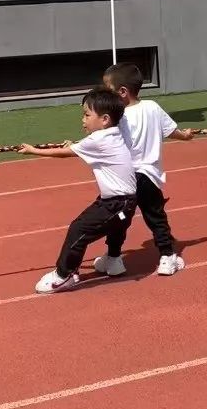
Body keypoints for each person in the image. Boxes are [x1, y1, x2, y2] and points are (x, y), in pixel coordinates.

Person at [19, 87, 138, 294]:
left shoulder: (98, 139)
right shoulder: (113, 134)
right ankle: (114, 261)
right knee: (116, 228)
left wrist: (33, 150)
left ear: (105, 120)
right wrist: (74, 145)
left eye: (87, 115)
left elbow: (64, 153)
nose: (83, 119)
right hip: (122, 201)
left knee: (78, 229)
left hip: (118, 202)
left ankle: (64, 275)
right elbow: (85, 148)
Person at [102, 63, 192, 276]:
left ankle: (114, 258)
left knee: (120, 219)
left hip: (125, 179)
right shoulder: (152, 107)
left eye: (108, 89)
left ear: (122, 91)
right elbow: (171, 131)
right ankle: (167, 256)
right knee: (155, 217)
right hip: (148, 178)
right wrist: (185, 136)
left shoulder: (117, 117)